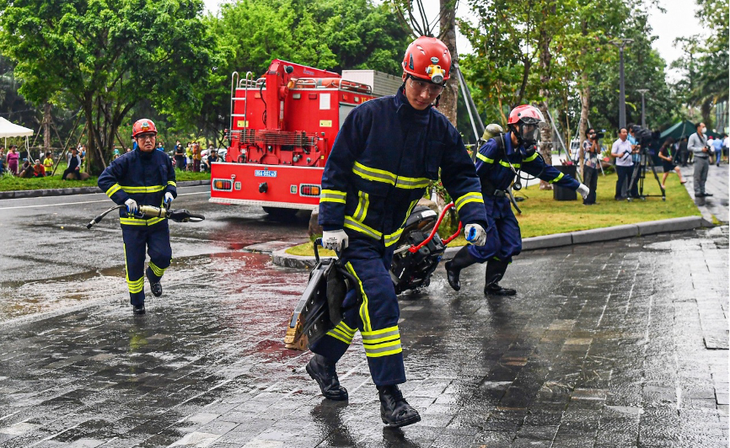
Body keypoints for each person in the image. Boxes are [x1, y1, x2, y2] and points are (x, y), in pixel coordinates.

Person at [309, 36, 488, 428]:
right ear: (405, 77)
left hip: (388, 241)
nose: (425, 93)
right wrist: (332, 225)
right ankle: (390, 397)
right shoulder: (368, 117)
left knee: (361, 307)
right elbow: (335, 171)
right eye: (418, 83)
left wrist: (475, 217)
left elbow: (462, 176)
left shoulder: (441, 131)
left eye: (434, 87)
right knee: (381, 297)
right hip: (352, 236)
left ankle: (323, 361)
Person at [446, 105, 589, 298]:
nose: (532, 132)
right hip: (483, 199)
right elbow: (472, 176)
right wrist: (466, 204)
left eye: (534, 128)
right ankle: (453, 266)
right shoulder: (494, 147)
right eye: (528, 127)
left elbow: (546, 172)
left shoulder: (524, 152)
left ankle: (492, 285)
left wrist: (575, 185)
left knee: (511, 243)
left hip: (500, 201)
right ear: (515, 127)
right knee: (488, 245)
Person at [97, 118, 177, 315]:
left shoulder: (163, 159)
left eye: (150, 136)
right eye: (142, 137)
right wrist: (124, 199)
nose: (147, 140)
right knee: (134, 264)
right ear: (135, 139)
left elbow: (172, 181)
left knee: (164, 257)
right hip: (132, 224)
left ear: (156, 138)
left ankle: (153, 275)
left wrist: (169, 193)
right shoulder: (125, 161)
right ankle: (137, 303)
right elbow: (104, 179)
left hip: (158, 221)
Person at [610, 127, 637, 200]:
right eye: (623, 132)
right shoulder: (617, 143)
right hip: (621, 165)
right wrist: (618, 155)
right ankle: (618, 195)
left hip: (630, 164)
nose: (625, 134)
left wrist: (635, 151)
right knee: (621, 180)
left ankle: (632, 193)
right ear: (619, 134)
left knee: (632, 179)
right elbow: (612, 154)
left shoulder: (628, 142)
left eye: (626, 132)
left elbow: (631, 151)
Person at [688, 122, 712, 198]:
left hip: (706, 157)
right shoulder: (693, 136)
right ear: (698, 127)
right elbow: (689, 147)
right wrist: (700, 149)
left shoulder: (705, 136)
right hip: (698, 157)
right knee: (697, 176)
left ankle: (702, 190)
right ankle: (697, 191)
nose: (704, 128)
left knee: (704, 176)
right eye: (703, 126)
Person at [582, 128, 600, 205]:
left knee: (593, 184)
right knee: (587, 183)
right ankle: (586, 200)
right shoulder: (585, 142)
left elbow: (598, 151)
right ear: (587, 134)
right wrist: (593, 142)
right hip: (588, 165)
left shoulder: (595, 142)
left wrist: (596, 142)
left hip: (595, 165)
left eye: (594, 133)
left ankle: (592, 200)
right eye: (591, 133)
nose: (593, 134)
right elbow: (591, 150)